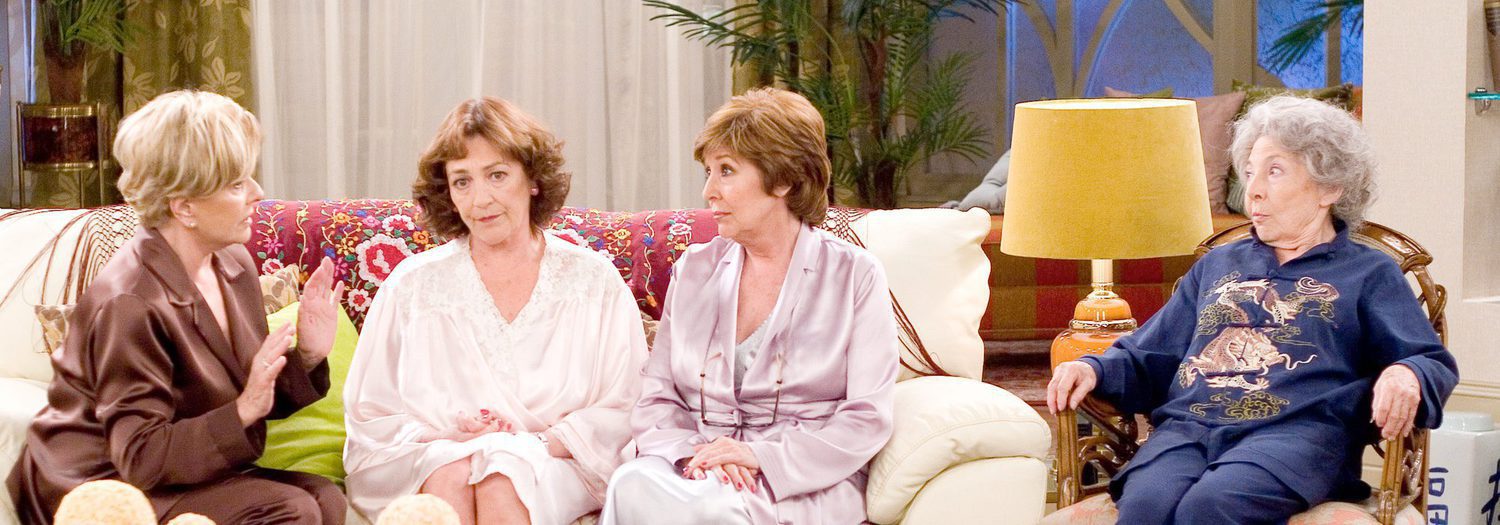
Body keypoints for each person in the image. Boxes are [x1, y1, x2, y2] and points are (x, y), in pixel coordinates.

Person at [1047, 95, 1460, 524]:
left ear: (1330, 187)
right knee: (1145, 507)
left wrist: (1406, 372)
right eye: (1249, 173)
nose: (1254, 190)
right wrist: (1093, 368)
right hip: (1188, 431)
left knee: (1210, 507)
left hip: (1297, 438)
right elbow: (1150, 353)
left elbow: (1429, 360)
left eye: (1274, 171)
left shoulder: (1368, 272)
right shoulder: (1218, 264)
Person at [7, 90, 347, 524]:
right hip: (104, 485)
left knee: (324, 498)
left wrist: (309, 355)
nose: (257, 193)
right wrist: (242, 410)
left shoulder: (233, 264)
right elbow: (141, 458)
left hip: (187, 467)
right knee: (291, 509)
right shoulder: (130, 303)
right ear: (184, 207)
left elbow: (252, 395)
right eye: (237, 184)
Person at [600, 87, 900, 524]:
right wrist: (698, 455)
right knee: (630, 484)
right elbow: (658, 396)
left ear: (783, 179)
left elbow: (867, 417)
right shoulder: (695, 270)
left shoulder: (855, 275)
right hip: (695, 463)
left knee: (713, 509)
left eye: (726, 171)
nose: (708, 191)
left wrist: (760, 457)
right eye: (708, 172)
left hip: (799, 478)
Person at [343, 96, 648, 525]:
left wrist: (530, 444)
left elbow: (626, 404)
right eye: (462, 181)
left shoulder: (593, 280)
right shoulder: (411, 285)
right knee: (449, 471)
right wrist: (448, 436)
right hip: (435, 454)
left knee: (502, 476)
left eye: (497, 175)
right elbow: (370, 414)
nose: (480, 199)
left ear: (533, 180)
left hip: (556, 459)